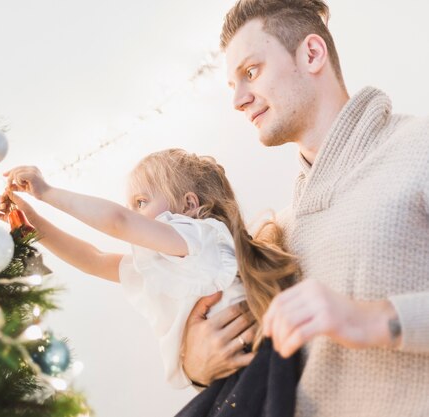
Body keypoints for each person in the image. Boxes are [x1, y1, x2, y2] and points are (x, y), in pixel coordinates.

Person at [181, 0, 429, 415]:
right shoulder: (280, 231)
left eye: (251, 72)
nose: (239, 100)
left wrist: (371, 319)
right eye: (232, 86)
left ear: (311, 54)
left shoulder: (418, 148)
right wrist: (200, 361)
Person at [0, 149, 297, 389]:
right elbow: (94, 258)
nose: (133, 214)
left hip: (255, 372)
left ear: (189, 204)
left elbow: (118, 222)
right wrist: (32, 221)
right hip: (227, 379)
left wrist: (46, 191)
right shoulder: (165, 263)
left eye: (141, 202)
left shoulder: (202, 236)